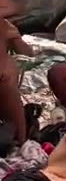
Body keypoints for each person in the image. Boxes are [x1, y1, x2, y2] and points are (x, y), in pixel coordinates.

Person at [2, 15, 32, 143]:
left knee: (7, 73)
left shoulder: (5, 26)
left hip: (5, 83)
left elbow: (27, 54)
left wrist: (16, 38)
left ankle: (22, 141)